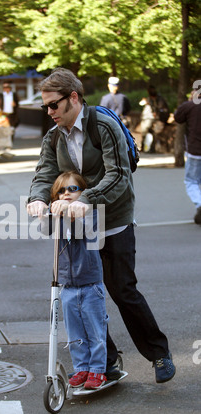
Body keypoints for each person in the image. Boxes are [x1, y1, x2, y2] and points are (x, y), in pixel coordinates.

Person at [27, 67, 176, 384]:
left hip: (114, 220)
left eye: (54, 105)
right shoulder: (54, 137)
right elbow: (44, 174)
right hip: (78, 227)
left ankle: (159, 353)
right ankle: (104, 361)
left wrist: (86, 199)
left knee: (122, 290)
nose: (49, 112)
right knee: (84, 294)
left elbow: (119, 175)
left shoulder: (104, 125)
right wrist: (38, 198)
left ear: (74, 98)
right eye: (46, 107)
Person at [47, 171, 108, 389]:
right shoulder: (57, 217)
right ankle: (82, 367)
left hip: (91, 284)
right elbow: (49, 225)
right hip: (68, 285)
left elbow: (82, 231)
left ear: (82, 192)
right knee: (74, 333)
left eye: (73, 189)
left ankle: (98, 370)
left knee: (95, 331)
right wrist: (46, 208)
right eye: (61, 191)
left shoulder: (89, 213)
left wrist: (70, 212)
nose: (67, 194)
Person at [174, 86, 201, 225]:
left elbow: (178, 117)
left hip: (195, 151)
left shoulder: (190, 106)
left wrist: (191, 101)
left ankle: (199, 204)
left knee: (191, 181)